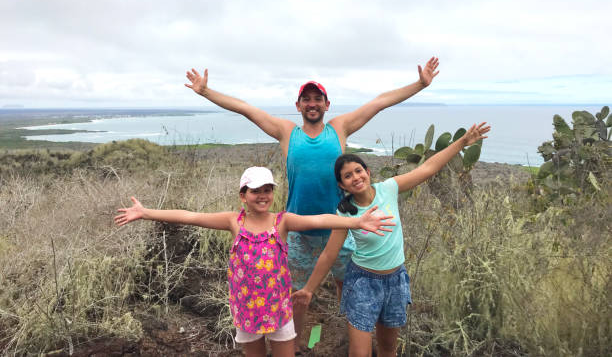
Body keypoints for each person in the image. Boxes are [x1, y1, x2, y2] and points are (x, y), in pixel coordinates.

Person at [185, 57, 439, 348]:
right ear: (298, 107)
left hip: (340, 229)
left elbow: (378, 103)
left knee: (351, 291)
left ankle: (352, 342)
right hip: (298, 233)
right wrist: (206, 92)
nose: (312, 103)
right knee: (296, 296)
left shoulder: (339, 129)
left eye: (318, 98)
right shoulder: (287, 133)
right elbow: (246, 109)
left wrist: (420, 84)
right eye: (306, 99)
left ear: (326, 104)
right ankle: (291, 347)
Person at [114, 166, 395, 357]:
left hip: (278, 308)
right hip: (246, 309)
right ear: (243, 195)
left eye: (267, 190)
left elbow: (318, 219)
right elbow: (190, 216)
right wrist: (146, 212)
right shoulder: (232, 222)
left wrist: (357, 221)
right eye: (255, 190)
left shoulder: (282, 221)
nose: (262, 196)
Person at [292, 122, 491, 357]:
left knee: (388, 349)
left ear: (368, 171)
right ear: (341, 184)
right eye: (347, 176)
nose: (355, 177)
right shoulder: (345, 212)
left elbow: (427, 169)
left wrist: (461, 143)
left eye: (358, 170)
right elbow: (329, 254)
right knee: (360, 353)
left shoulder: (389, 188)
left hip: (395, 281)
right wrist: (308, 290)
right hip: (362, 283)